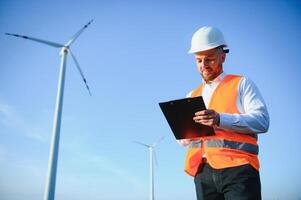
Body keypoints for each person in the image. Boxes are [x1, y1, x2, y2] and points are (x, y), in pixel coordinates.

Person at [178, 26, 269, 200]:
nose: (203, 65)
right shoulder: (191, 95)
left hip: (238, 169)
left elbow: (262, 121)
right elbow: (183, 142)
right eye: (198, 61)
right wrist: (181, 129)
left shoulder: (241, 83)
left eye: (209, 59)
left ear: (223, 56)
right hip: (202, 173)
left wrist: (219, 118)